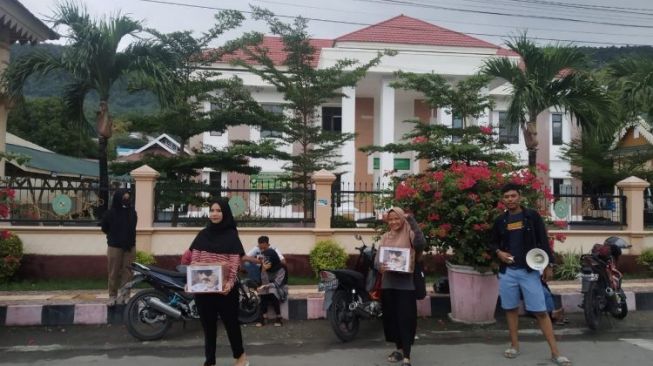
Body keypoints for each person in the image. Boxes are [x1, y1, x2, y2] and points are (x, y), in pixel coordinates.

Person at [489, 183, 572, 366]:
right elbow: (492, 243)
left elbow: (543, 240)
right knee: (510, 309)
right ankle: (514, 345)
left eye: (513, 196)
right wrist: (499, 253)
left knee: (540, 311)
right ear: (503, 200)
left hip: (529, 271)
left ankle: (555, 352)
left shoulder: (531, 216)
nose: (510, 199)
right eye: (507, 197)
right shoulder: (500, 221)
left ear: (519, 197)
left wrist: (549, 265)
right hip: (507, 272)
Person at [187, 199, 249, 366]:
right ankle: (210, 361)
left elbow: (234, 262)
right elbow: (194, 261)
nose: (214, 214)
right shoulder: (202, 235)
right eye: (212, 210)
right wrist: (191, 282)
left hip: (226, 291)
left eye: (218, 210)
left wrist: (229, 284)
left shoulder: (232, 236)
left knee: (231, 324)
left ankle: (240, 357)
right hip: (204, 290)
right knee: (208, 327)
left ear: (225, 213)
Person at [377, 207, 425, 366]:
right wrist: (380, 266)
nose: (393, 222)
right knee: (392, 319)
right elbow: (378, 261)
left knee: (406, 319)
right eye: (390, 219)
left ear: (402, 219)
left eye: (396, 218)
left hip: (406, 285)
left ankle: (407, 355)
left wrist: (411, 220)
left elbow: (420, 243)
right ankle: (398, 349)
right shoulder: (385, 237)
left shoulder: (410, 234)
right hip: (388, 284)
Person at [101, 189, 137, 306]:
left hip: (130, 246)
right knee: (113, 272)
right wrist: (115, 236)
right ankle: (112, 296)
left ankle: (125, 295)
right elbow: (104, 228)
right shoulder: (109, 214)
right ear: (118, 199)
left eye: (128, 199)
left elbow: (133, 227)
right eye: (124, 198)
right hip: (114, 246)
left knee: (128, 272)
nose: (126, 201)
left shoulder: (132, 212)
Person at [255, 248, 288, 327]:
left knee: (272, 292)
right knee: (263, 292)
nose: (265, 260)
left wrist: (266, 286)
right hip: (267, 288)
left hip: (280, 288)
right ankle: (263, 316)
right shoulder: (263, 267)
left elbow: (278, 283)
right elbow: (264, 282)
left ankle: (278, 317)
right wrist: (263, 270)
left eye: (267, 258)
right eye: (264, 258)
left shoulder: (281, 268)